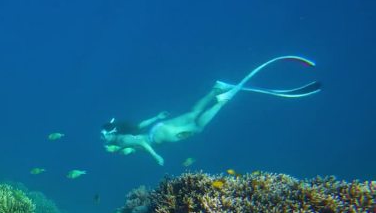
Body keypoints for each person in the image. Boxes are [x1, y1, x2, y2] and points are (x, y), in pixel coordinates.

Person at [100, 55, 322, 166]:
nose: (103, 140)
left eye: (104, 136)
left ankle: (222, 100)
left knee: (198, 127)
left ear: (111, 133)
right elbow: (139, 127)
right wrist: (157, 116)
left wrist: (156, 156)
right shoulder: (123, 130)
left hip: (159, 137)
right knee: (193, 113)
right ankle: (216, 89)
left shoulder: (118, 141)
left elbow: (140, 142)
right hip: (158, 127)